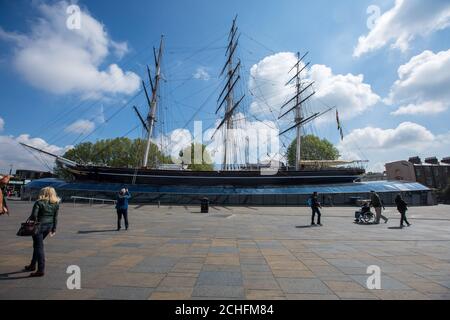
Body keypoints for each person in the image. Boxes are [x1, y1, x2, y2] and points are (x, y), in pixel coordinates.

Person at [24, 187, 60, 277]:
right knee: (37, 245)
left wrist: (32, 221)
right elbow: (56, 217)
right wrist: (54, 228)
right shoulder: (56, 203)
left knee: (38, 246)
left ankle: (41, 270)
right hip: (49, 226)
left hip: (38, 226)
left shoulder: (39, 202)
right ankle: (32, 265)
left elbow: (34, 215)